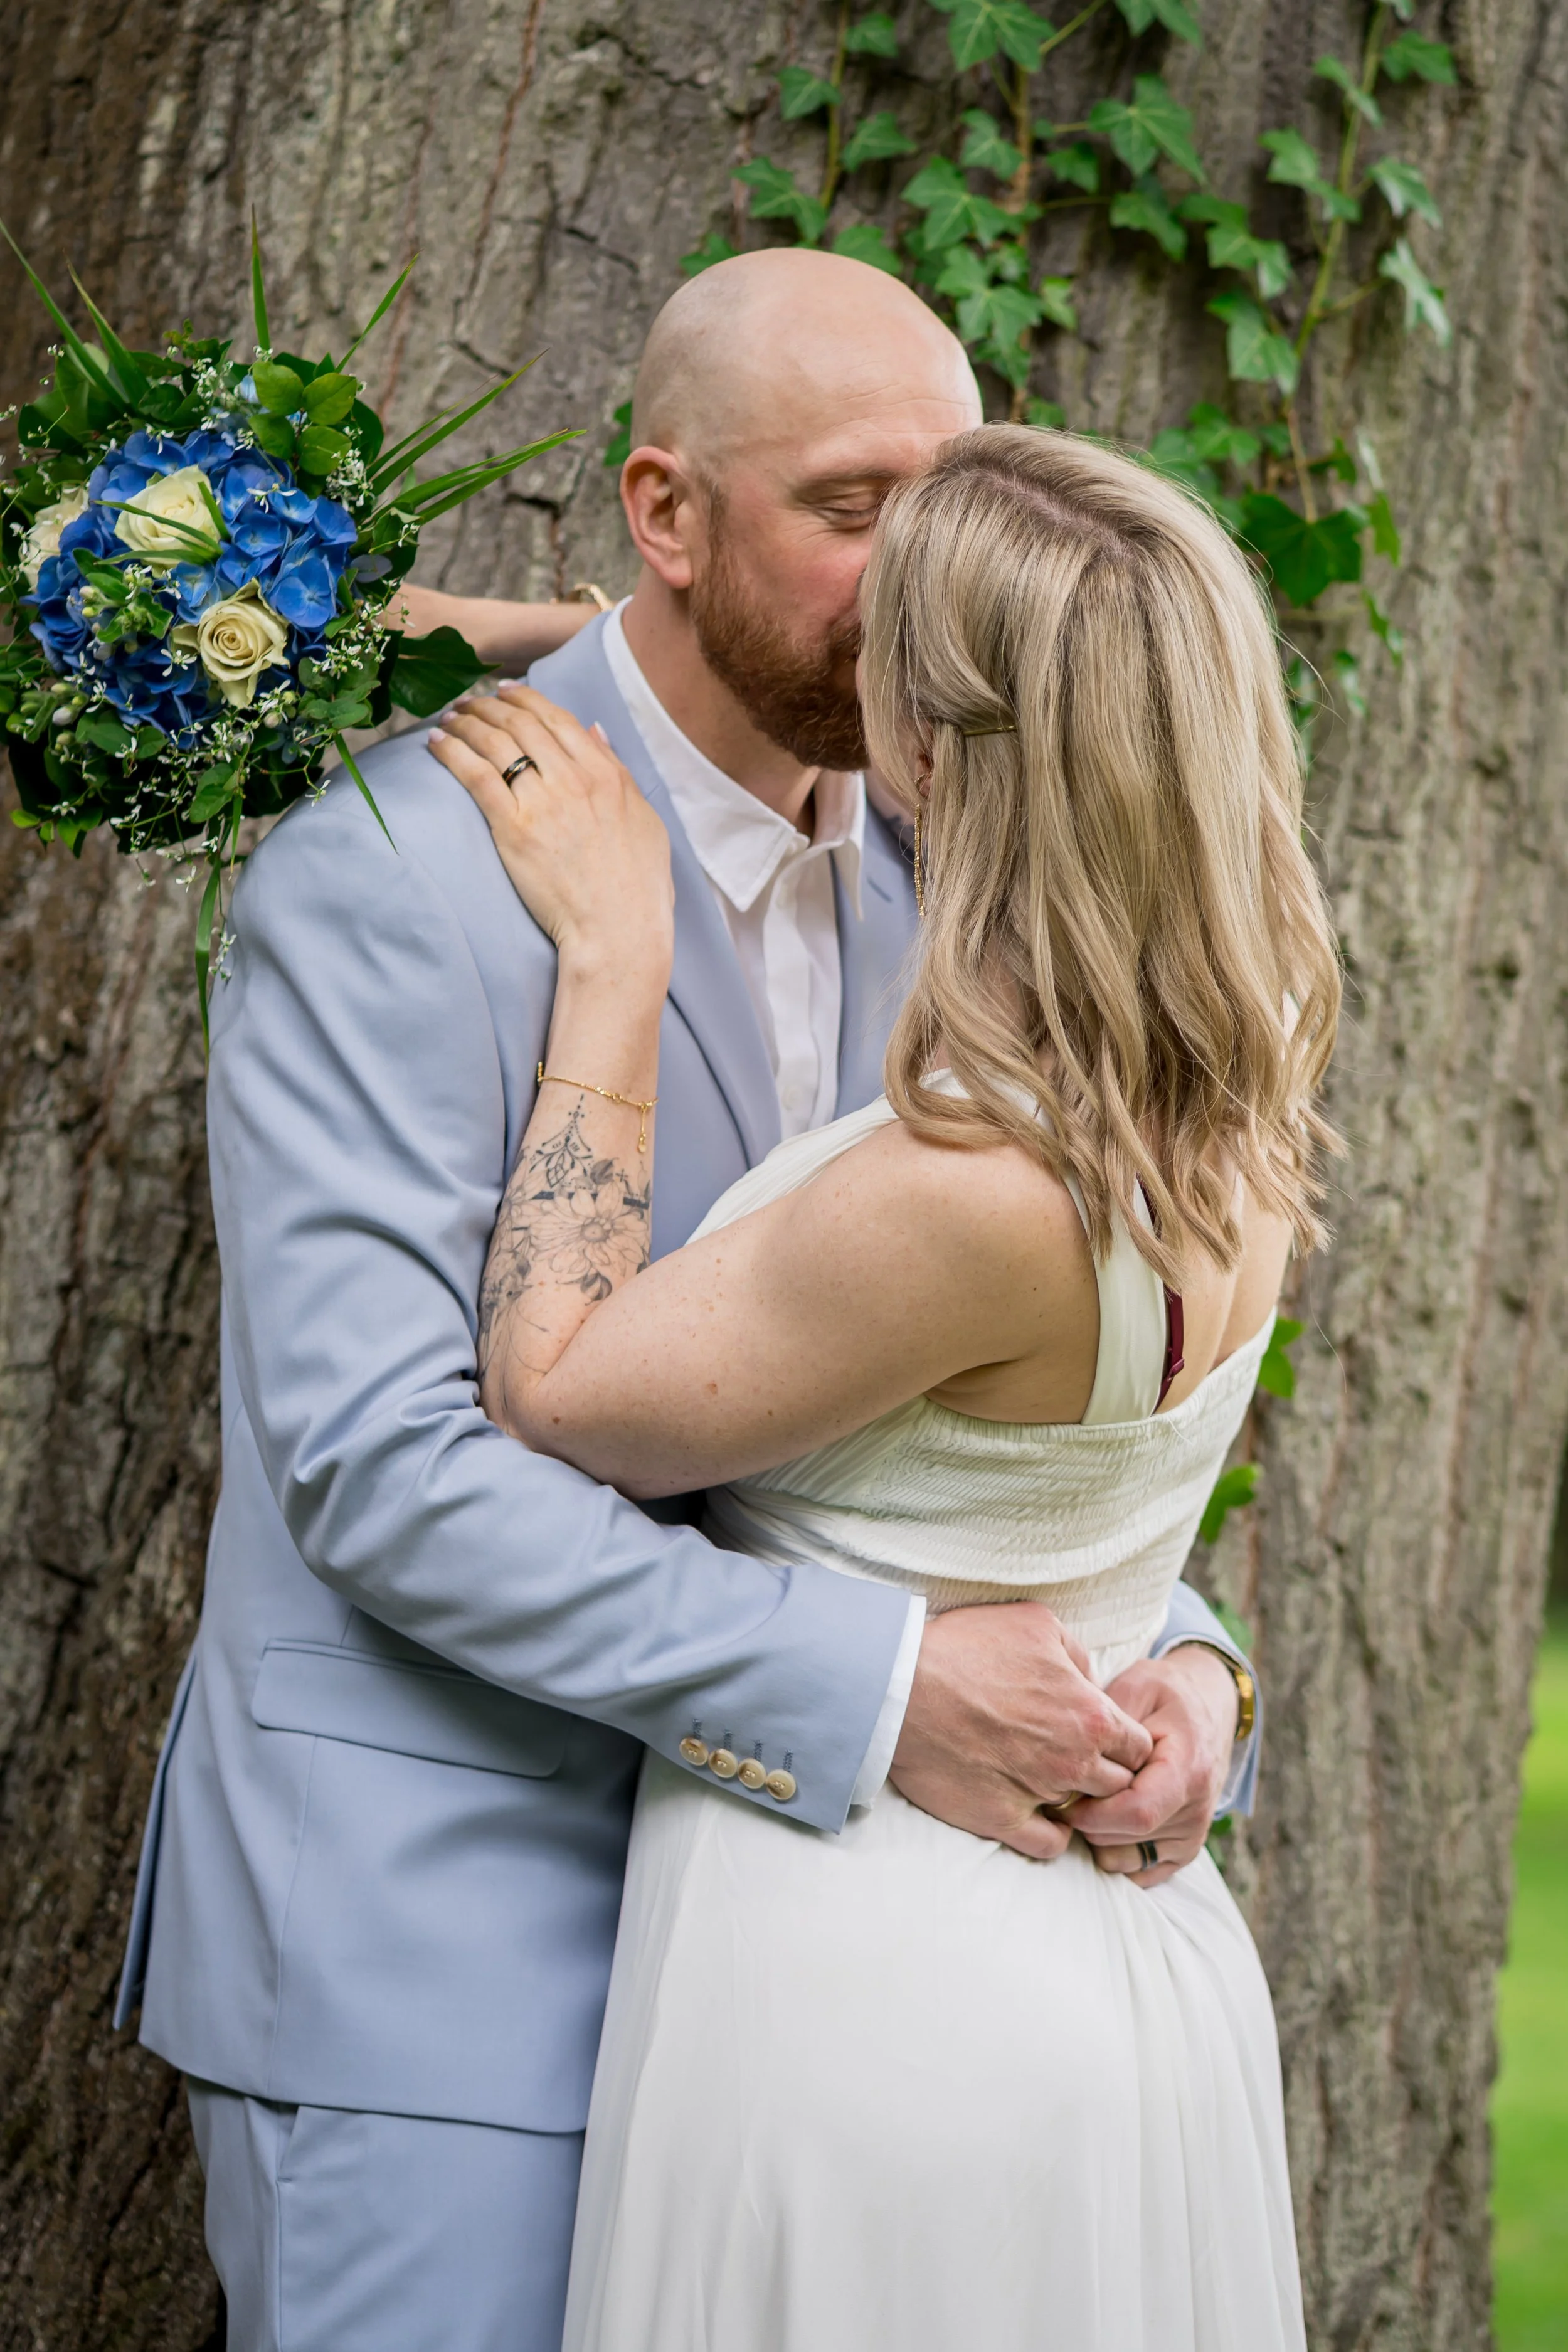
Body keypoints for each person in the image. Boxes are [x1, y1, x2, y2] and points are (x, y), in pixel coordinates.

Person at [114, 249, 1259, 2352]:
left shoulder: (962, 865)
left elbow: (933, 1390)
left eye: (947, 508)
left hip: (827, 1998)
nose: (916, 581)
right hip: (453, 1967)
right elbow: (387, 1471)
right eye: (848, 513)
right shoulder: (392, 875)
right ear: (662, 514)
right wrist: (883, 1687)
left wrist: (1169, 1666)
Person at [432, 418, 1338, 2350]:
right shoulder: (1227, 1087)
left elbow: (557, 1380)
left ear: (935, 743)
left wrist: (613, 959)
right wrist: (551, 641)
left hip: (881, 1978)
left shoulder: (970, 1196)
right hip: (1122, 1975)